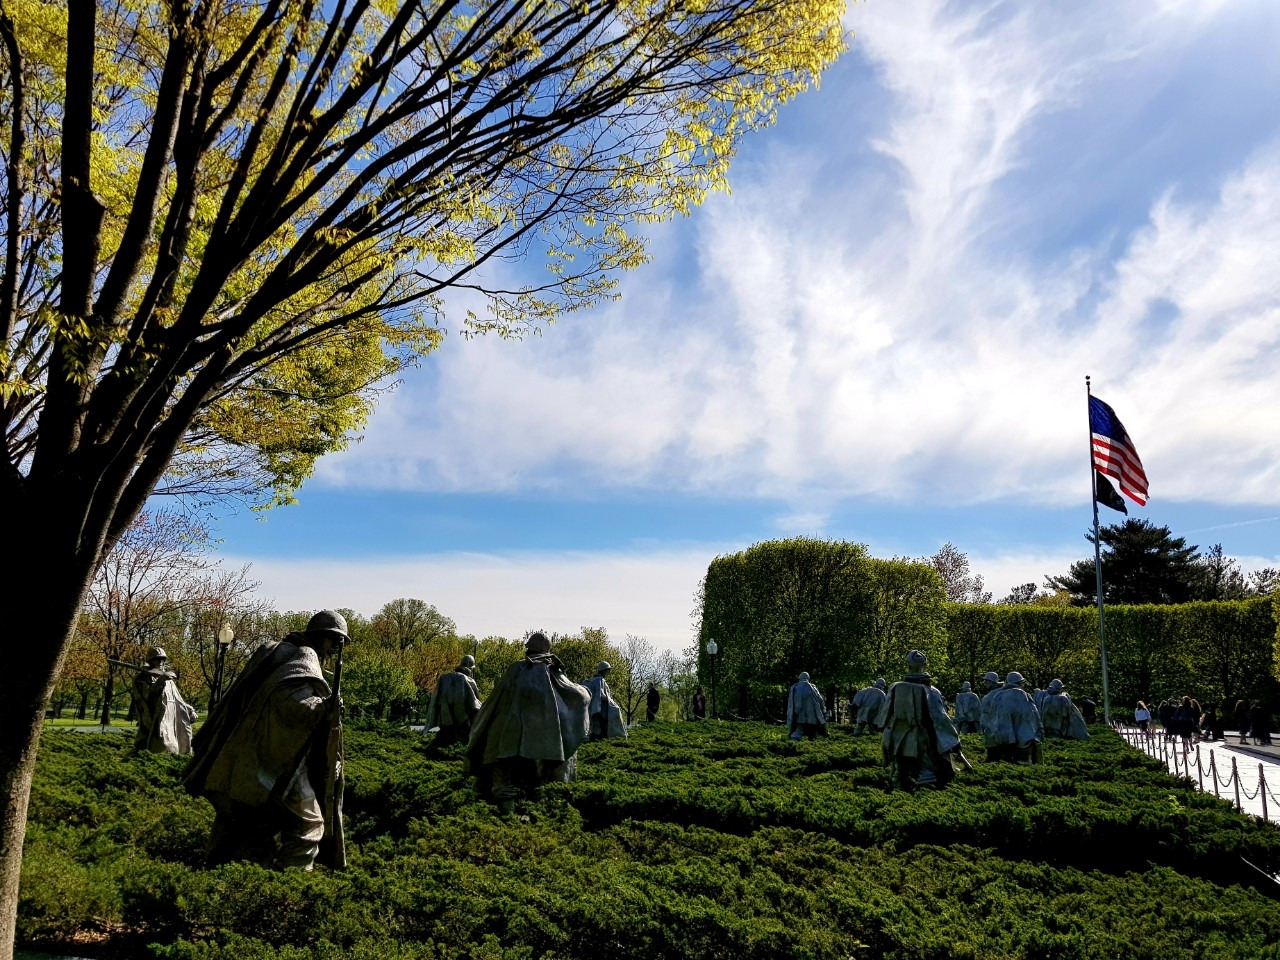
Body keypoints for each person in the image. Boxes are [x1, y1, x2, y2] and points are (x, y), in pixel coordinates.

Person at [184, 612, 347, 871]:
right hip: (278, 762)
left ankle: (223, 871)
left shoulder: (280, 652)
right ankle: (292, 881)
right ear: (321, 637)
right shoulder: (305, 656)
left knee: (245, 823)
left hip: (246, 753)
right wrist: (323, 707)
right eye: (334, 641)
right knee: (310, 823)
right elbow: (288, 701)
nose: (335, 649)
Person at [465, 632, 591, 813]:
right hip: (541, 739)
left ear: (528, 649)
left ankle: (507, 810)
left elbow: (493, 701)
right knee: (538, 780)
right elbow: (578, 695)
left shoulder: (516, 669)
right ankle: (537, 812)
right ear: (547, 650)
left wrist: (484, 725)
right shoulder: (552, 672)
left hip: (507, 735)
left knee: (503, 772)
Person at [873, 650, 962, 791]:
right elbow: (941, 718)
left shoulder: (895, 687)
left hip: (898, 738)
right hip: (922, 738)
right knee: (927, 766)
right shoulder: (932, 691)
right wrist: (952, 738)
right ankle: (925, 790)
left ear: (908, 665)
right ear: (924, 666)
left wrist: (886, 729)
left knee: (901, 766)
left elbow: (885, 714)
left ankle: (899, 788)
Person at [131, 646, 198, 755]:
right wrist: (161, 681)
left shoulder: (167, 679)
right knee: (162, 743)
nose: (161, 662)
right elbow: (148, 697)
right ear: (150, 661)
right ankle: (153, 758)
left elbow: (177, 699)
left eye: (163, 659)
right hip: (157, 718)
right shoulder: (142, 678)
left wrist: (191, 710)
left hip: (171, 717)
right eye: (157, 659)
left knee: (182, 738)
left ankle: (177, 756)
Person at [424, 655, 483, 750]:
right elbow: (476, 701)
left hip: (445, 713)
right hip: (462, 716)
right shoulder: (469, 680)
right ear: (470, 668)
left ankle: (433, 749)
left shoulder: (445, 677)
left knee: (444, 734)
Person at [982, 671, 1043, 763]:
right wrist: (1039, 731)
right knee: (1024, 762)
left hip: (1003, 741)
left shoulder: (998, 695)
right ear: (1020, 683)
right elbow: (1034, 715)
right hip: (1024, 741)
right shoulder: (1025, 695)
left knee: (1005, 761)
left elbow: (992, 718)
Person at [583, 661, 627, 740]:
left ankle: (597, 737)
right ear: (604, 671)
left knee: (597, 726)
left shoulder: (595, 680)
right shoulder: (600, 680)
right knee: (614, 712)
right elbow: (601, 694)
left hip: (595, 708)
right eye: (607, 670)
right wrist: (610, 701)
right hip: (600, 708)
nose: (608, 672)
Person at [786, 671, 828, 740]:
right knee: (813, 733)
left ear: (799, 678)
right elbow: (820, 700)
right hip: (813, 717)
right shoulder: (813, 687)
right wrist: (823, 711)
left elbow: (790, 703)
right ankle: (813, 742)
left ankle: (794, 742)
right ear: (808, 678)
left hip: (798, 715)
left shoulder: (794, 687)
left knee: (799, 730)